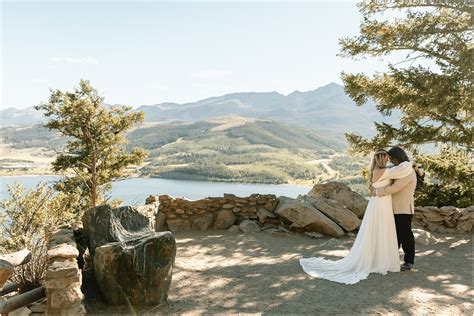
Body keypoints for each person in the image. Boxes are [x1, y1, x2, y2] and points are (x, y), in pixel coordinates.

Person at [299, 149, 413, 284]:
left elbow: (401, 170)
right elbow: (401, 171)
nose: (389, 160)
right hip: (381, 204)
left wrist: (414, 165)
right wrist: (412, 165)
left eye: (390, 158)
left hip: (386, 204)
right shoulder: (383, 171)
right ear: (382, 159)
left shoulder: (385, 170)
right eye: (387, 158)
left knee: (386, 231)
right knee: (381, 230)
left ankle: (387, 259)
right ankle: (380, 260)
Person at [375, 146, 417, 271]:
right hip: (395, 208)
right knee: (395, 235)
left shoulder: (407, 172)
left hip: (403, 208)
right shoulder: (401, 169)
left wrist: (378, 191)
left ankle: (409, 261)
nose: (391, 161)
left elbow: (395, 188)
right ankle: (392, 259)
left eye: (392, 158)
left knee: (406, 235)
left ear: (398, 157)